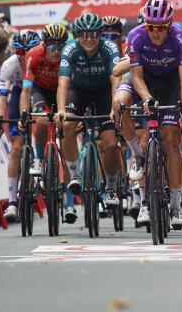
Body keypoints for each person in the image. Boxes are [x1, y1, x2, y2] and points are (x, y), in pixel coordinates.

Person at [125, 0, 182, 229]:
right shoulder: (135, 36)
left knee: (172, 140)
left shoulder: (181, 38)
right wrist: (146, 98)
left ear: (170, 24)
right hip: (145, 82)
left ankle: (175, 206)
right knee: (130, 119)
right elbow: (135, 76)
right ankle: (143, 192)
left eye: (161, 27)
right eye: (151, 26)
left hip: (171, 83)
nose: (155, 32)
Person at [56, 13, 123, 226]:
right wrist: (60, 110)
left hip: (104, 92)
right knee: (67, 125)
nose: (88, 38)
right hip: (79, 91)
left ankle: (111, 187)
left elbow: (116, 78)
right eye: (83, 34)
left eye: (93, 34)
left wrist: (115, 105)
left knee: (111, 144)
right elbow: (63, 82)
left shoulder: (110, 48)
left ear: (100, 34)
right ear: (77, 35)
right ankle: (75, 174)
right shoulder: (70, 48)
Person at [0, 30, 39, 221]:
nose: (24, 57)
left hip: (39, 93)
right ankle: (12, 202)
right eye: (20, 53)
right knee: (15, 148)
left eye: (28, 51)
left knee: (44, 130)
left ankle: (44, 164)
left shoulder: (42, 59)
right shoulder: (10, 65)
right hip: (19, 94)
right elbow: (2, 99)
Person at [20, 23, 67, 178]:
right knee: (41, 121)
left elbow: (71, 86)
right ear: (44, 44)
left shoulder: (68, 55)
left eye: (60, 46)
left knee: (68, 124)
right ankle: (39, 159)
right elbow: (26, 90)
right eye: (52, 46)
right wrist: (23, 115)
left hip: (62, 89)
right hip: (40, 90)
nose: (56, 51)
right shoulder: (33, 55)